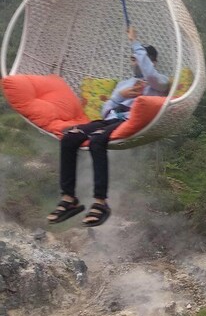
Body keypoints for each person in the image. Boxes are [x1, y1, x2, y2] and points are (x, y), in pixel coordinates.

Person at [46, 26, 169, 227]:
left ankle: (100, 202)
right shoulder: (124, 84)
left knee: (97, 142)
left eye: (140, 57)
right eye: (133, 58)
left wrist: (134, 42)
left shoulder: (159, 82)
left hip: (128, 121)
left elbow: (150, 74)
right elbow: (106, 109)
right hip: (109, 120)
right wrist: (122, 95)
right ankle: (69, 199)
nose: (135, 61)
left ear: (152, 62)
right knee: (69, 138)